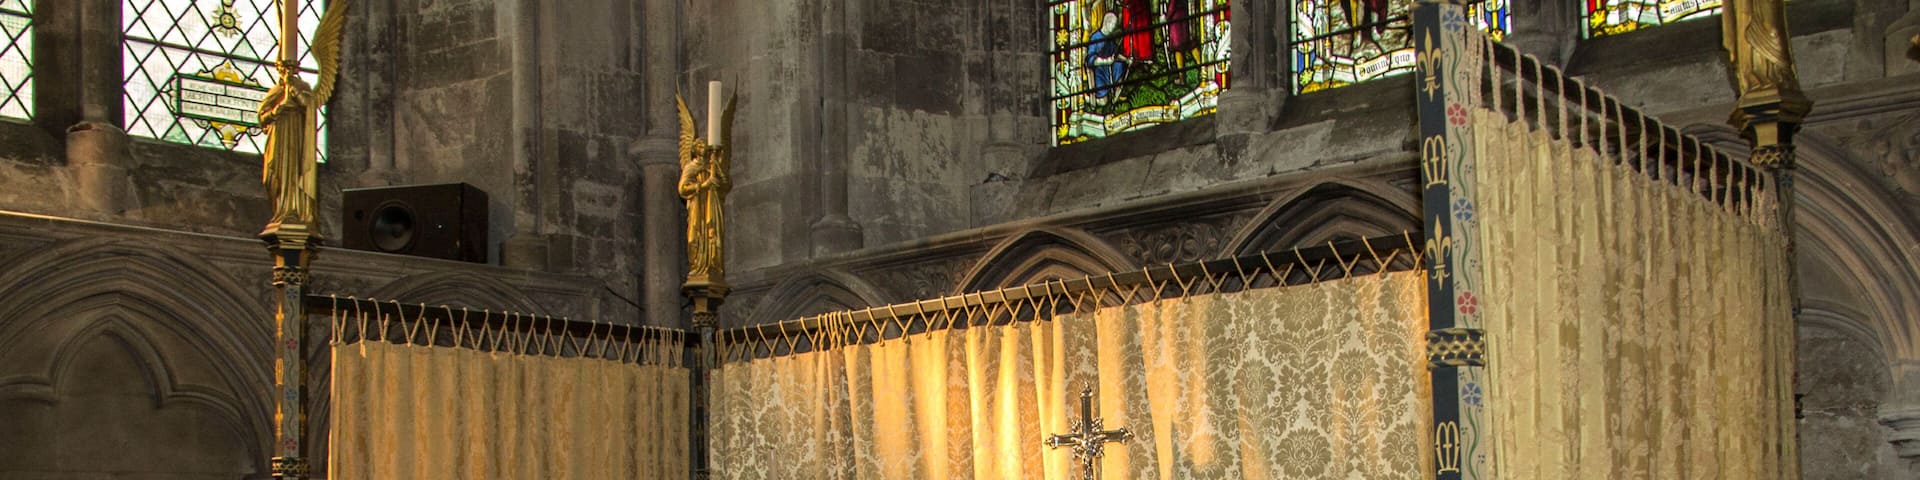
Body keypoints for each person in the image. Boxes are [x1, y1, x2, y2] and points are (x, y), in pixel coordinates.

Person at [1086, 13, 1130, 106]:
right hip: (1099, 72)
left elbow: (1115, 54)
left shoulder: (1109, 39)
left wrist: (1126, 60)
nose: (1114, 28)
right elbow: (1090, 59)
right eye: (1113, 25)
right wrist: (1105, 61)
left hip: (1110, 68)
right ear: (1106, 23)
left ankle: (1117, 94)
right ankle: (1084, 98)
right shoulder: (1095, 37)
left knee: (1119, 65)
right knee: (1103, 102)